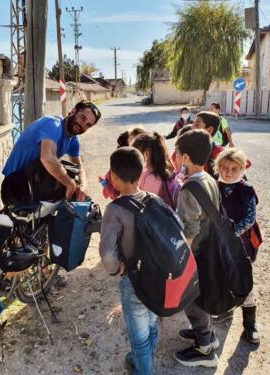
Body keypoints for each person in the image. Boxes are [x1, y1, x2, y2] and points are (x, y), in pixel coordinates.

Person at [99, 147, 159, 374]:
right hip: (157, 276)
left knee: (139, 339)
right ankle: (141, 360)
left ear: (113, 177)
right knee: (152, 322)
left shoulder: (114, 209)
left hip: (133, 280)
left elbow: (107, 254)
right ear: (141, 173)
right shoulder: (153, 199)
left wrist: (116, 270)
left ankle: (143, 366)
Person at [173, 129, 221, 368]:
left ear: (186, 158)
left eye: (178, 152)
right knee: (201, 296)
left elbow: (189, 229)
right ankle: (208, 335)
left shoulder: (189, 188)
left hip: (196, 253)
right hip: (209, 248)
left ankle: (205, 350)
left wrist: (183, 262)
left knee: (192, 298)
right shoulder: (209, 179)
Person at [1, 100, 101, 204]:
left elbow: (79, 167)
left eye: (88, 124)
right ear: (73, 111)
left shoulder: (73, 139)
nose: (82, 125)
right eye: (82, 118)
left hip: (33, 182)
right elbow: (47, 158)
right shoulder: (53, 125)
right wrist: (70, 184)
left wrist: (83, 187)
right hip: (14, 186)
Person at [215, 148, 262, 344]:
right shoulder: (213, 186)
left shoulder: (246, 190)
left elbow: (250, 218)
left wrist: (231, 234)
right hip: (218, 244)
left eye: (234, 168)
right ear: (218, 168)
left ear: (242, 168)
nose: (229, 172)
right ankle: (225, 309)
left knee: (245, 283)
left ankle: (250, 324)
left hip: (242, 245)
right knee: (221, 277)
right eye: (224, 168)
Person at [132, 131, 180, 209]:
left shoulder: (152, 179)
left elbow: (145, 209)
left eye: (136, 154)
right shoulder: (167, 170)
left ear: (146, 154)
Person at [100, 126, 146, 200]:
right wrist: (107, 185)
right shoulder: (123, 156)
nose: (132, 144)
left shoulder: (144, 159)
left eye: (135, 141)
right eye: (130, 140)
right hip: (121, 197)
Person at [193, 111, 224, 179]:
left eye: (197, 125)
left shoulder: (217, 150)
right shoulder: (192, 145)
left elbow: (241, 163)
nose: (192, 128)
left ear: (209, 130)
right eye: (193, 124)